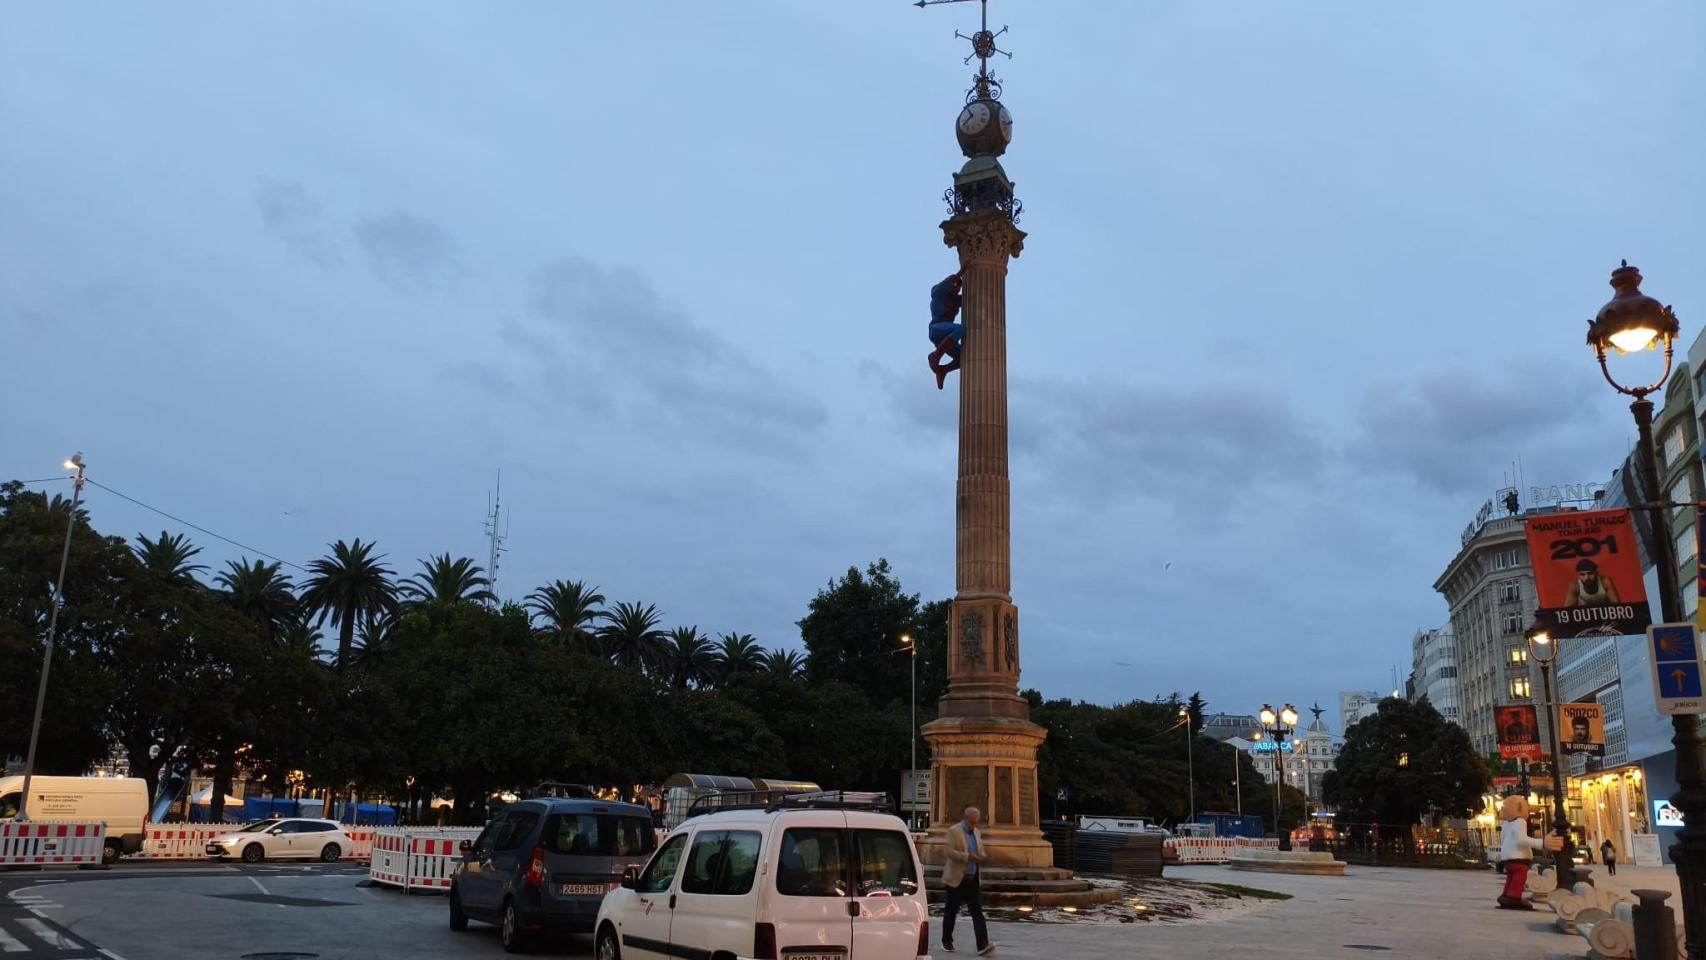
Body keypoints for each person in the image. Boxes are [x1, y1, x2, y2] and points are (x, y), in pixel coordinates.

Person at [942, 806, 994, 955]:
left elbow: (980, 849)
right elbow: (949, 852)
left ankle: (982, 945)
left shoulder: (976, 832)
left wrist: (981, 856)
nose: (974, 825)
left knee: (977, 912)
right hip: (957, 879)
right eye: (972, 822)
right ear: (966, 819)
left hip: (972, 879)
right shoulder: (954, 831)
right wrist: (967, 857)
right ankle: (947, 940)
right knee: (951, 911)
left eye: (976, 822)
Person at [1497, 794, 1562, 910]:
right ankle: (1513, 897)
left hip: (1507, 858)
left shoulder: (1506, 825)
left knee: (1511, 877)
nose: (1528, 811)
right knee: (1519, 876)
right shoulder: (1520, 822)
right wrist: (1542, 843)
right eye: (1527, 808)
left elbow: (1504, 839)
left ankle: (1505, 895)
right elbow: (1521, 840)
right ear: (1519, 808)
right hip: (1518, 858)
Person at [926, 273, 964, 390]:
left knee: (963, 358)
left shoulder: (955, 300)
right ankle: (936, 356)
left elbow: (974, 297)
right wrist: (962, 272)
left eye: (959, 288)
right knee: (961, 328)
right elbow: (947, 282)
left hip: (946, 337)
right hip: (936, 330)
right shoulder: (938, 293)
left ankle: (943, 370)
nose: (957, 289)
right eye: (955, 286)